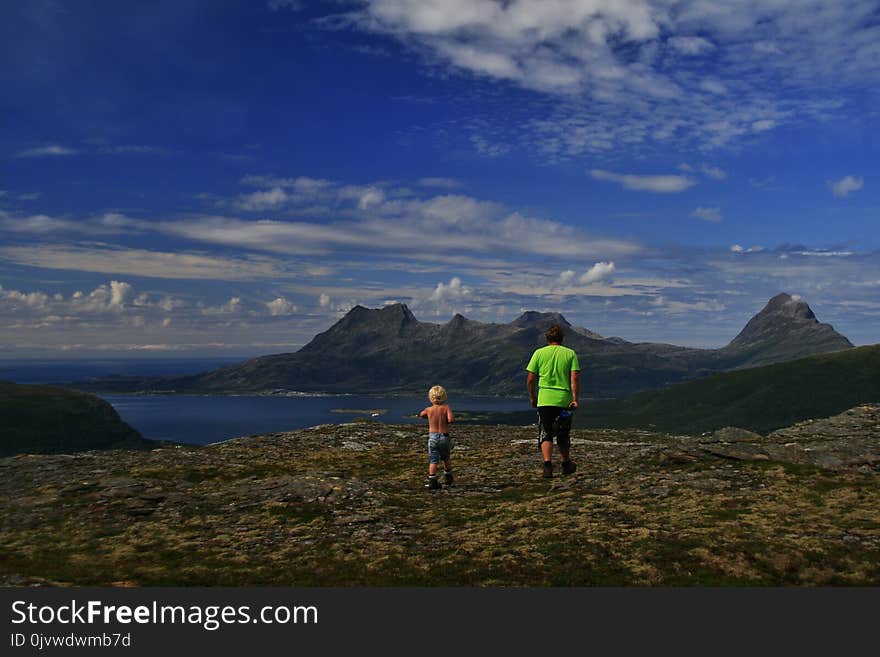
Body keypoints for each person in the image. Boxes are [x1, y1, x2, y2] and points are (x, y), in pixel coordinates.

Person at [526, 324, 580, 478]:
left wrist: (533, 397)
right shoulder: (570, 354)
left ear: (547, 338)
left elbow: (530, 379)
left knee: (546, 432)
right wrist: (575, 399)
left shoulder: (538, 353)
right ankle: (566, 463)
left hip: (544, 400)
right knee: (563, 433)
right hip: (564, 401)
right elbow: (574, 377)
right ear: (562, 339)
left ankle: (547, 465)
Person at [418, 385, 455, 490]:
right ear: (444, 397)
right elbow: (451, 420)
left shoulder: (428, 409)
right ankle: (448, 477)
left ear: (430, 398)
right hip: (444, 436)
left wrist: (429, 416)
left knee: (433, 460)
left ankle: (432, 481)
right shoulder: (446, 408)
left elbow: (421, 414)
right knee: (446, 457)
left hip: (433, 437)